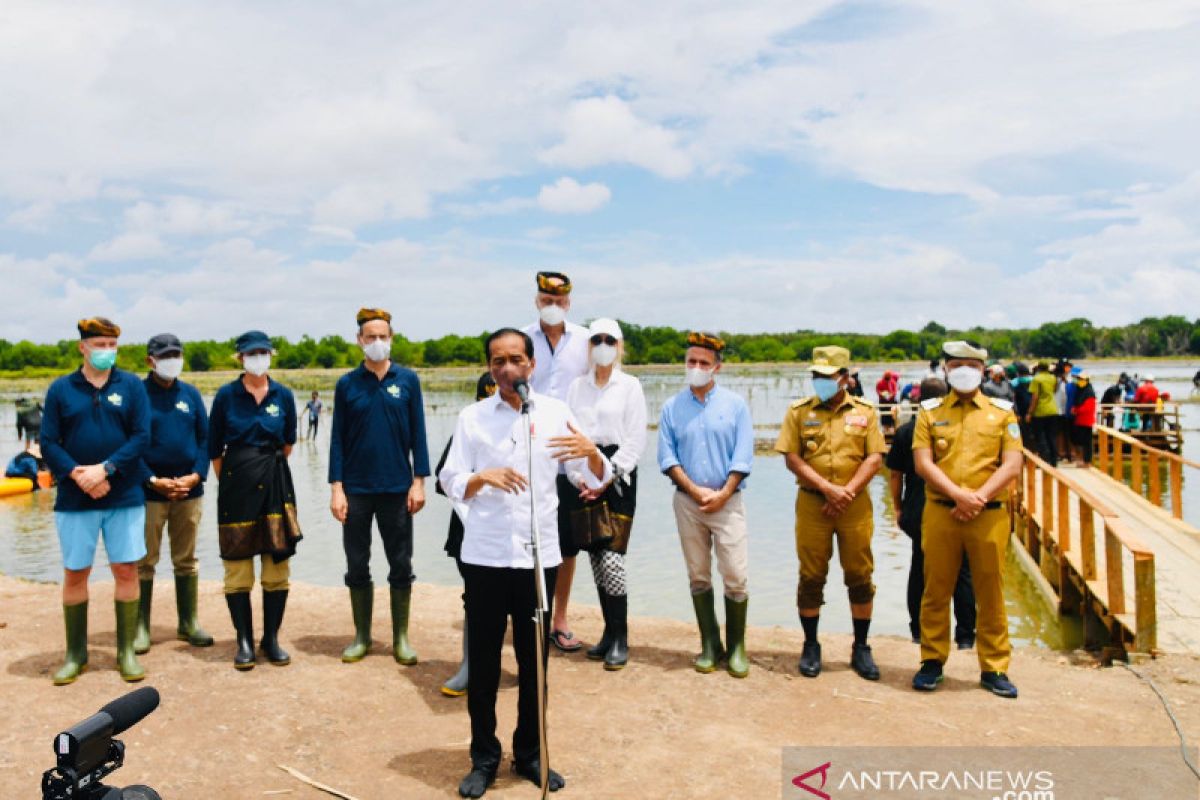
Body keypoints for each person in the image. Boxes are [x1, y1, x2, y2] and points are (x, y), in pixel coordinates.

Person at [438, 327, 610, 797]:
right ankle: (484, 759)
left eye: (516, 359)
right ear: (490, 369)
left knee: (534, 664)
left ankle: (531, 755)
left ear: (532, 366)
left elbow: (592, 474)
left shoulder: (554, 414)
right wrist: (480, 478)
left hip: (538, 559)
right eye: (498, 361)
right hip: (486, 556)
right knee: (487, 665)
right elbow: (449, 478)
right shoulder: (473, 418)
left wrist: (594, 455)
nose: (507, 368)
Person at [40, 317, 151, 684]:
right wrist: (79, 475)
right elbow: (49, 443)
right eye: (99, 344)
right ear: (82, 347)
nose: (106, 351)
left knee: (126, 569)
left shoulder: (132, 386)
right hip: (75, 497)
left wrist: (106, 470)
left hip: (124, 493)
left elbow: (140, 436)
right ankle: (76, 654)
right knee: (76, 572)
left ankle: (125, 653)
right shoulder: (61, 390)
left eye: (111, 345)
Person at [911, 341, 1023, 699]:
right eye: (956, 364)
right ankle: (932, 661)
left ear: (983, 371)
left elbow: (1013, 463)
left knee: (990, 591)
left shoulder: (1002, 413)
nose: (963, 370)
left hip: (988, 514)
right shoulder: (929, 412)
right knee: (936, 589)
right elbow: (923, 463)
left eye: (970, 365)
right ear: (945, 369)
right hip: (942, 511)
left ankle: (994, 667)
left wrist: (979, 497)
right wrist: (959, 496)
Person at [775, 346, 885, 680]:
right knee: (811, 575)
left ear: (845, 378)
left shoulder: (866, 412)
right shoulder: (799, 411)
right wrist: (827, 488)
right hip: (813, 503)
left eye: (827, 376)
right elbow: (791, 456)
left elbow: (875, 457)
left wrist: (847, 491)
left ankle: (861, 646)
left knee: (859, 574)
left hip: (855, 505)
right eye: (816, 376)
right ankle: (811, 644)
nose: (820, 382)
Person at [329, 308, 430, 665]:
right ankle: (362, 636)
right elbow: (337, 440)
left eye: (382, 336)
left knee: (400, 563)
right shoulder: (347, 384)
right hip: (355, 489)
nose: (376, 342)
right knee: (357, 562)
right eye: (369, 337)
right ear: (359, 340)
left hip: (397, 488)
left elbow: (418, 433)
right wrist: (336, 488)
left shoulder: (407, 381)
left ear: (392, 338)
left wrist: (418, 482)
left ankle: (400, 638)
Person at [658, 332, 754, 678]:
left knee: (735, 574)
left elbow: (743, 456)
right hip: (687, 501)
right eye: (691, 362)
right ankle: (710, 644)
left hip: (728, 501)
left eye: (703, 363)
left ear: (717, 367)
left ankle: (738, 647)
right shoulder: (672, 407)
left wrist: (723, 492)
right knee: (698, 574)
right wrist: (694, 490)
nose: (696, 368)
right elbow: (667, 457)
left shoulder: (735, 406)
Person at [208, 330, 301, 670]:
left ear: (271, 355)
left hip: (276, 484)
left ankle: (271, 638)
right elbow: (214, 449)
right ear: (240, 358)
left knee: (277, 567)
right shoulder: (226, 396)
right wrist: (235, 477)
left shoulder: (283, 395)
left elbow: (288, 443)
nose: (258, 357)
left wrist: (264, 469)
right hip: (235, 488)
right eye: (251, 353)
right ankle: (244, 641)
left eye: (263, 351)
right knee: (238, 570)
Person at [564, 318, 647, 670]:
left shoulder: (630, 386)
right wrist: (577, 476)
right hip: (584, 471)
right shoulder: (576, 387)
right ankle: (608, 633)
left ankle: (622, 637)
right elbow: (569, 434)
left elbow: (635, 439)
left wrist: (608, 475)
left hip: (618, 474)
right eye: (595, 339)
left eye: (608, 340)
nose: (602, 345)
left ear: (619, 345)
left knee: (613, 557)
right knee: (596, 557)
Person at [521, 271, 591, 654]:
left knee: (566, 544)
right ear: (537, 300)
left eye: (559, 301)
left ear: (568, 303)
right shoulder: (521, 338)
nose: (552, 306)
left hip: (568, 456)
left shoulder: (584, 340)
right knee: (525, 534)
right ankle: (527, 612)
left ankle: (559, 617)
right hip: (528, 453)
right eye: (546, 299)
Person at [133, 333, 213, 654]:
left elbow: (206, 441)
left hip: (188, 492)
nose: (172, 360)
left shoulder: (191, 395)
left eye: (176, 354)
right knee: (144, 561)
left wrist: (196, 475)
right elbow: (127, 445)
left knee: (186, 559)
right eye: (165, 355)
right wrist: (151, 479)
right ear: (150, 361)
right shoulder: (136, 395)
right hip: (148, 492)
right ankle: (140, 627)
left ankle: (188, 622)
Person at [887, 378, 975, 647]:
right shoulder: (955, 429)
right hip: (953, 506)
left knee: (920, 569)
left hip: (917, 508)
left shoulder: (906, 432)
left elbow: (894, 476)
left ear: (916, 400)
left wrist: (898, 508)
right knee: (962, 572)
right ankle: (965, 636)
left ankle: (918, 630)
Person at [435, 372, 497, 697]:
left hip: (512, 533)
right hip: (467, 530)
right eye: (486, 398)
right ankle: (469, 666)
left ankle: (513, 666)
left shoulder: (527, 429)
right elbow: (442, 477)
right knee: (474, 596)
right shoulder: (467, 428)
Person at [1025, 361, 1058, 466]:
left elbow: (1035, 397)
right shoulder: (1053, 378)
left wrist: (1029, 413)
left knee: (1040, 437)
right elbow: (1054, 390)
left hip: (1040, 411)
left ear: (1038, 368)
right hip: (1053, 409)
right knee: (1051, 436)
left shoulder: (1037, 379)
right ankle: (1054, 460)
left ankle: (1045, 460)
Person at [1072, 372, 1097, 466]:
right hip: (1079, 420)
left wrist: (1077, 410)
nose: (1080, 381)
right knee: (1080, 441)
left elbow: (1088, 407)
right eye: (1079, 379)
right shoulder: (1080, 391)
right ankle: (1082, 460)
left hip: (1087, 420)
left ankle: (1087, 461)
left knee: (1087, 443)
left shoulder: (1089, 392)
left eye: (1082, 380)